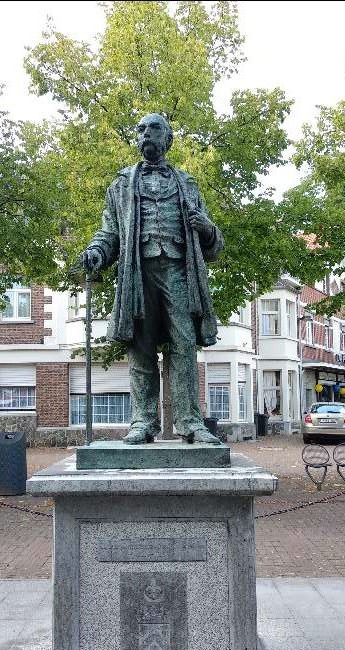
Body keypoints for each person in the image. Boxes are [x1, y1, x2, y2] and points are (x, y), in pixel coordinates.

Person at [81, 113, 223, 445]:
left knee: (184, 343)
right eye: (141, 130)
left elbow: (214, 245)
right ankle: (143, 421)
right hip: (137, 271)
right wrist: (96, 253)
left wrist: (206, 228)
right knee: (141, 346)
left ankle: (189, 421)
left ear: (168, 139)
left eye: (154, 129)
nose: (146, 134)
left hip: (178, 270)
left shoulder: (187, 184)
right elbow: (109, 232)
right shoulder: (120, 184)